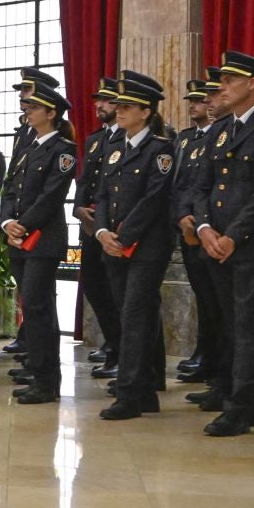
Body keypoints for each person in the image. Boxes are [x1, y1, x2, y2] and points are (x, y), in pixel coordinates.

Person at [192, 51, 254, 436]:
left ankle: (240, 405)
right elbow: (201, 186)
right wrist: (204, 229)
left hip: (249, 245)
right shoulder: (220, 130)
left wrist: (232, 236)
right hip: (215, 242)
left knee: (248, 326)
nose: (221, 87)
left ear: (252, 83)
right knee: (229, 325)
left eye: (230, 80)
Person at [92, 73, 175, 419]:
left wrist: (123, 237)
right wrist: (101, 233)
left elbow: (154, 200)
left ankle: (129, 393)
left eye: (126, 106)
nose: (118, 111)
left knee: (134, 316)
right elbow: (100, 195)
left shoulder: (161, 151)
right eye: (118, 105)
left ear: (146, 111)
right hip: (112, 246)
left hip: (147, 247)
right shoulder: (113, 149)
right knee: (130, 314)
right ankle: (143, 391)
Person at [0, 86, 75, 401]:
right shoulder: (28, 146)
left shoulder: (63, 150)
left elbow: (51, 196)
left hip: (43, 239)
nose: (27, 111)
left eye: (34, 108)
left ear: (51, 113)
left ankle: (47, 382)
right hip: (18, 238)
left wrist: (23, 224)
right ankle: (38, 373)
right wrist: (7, 222)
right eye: (27, 107)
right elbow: (9, 190)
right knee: (32, 306)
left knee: (37, 305)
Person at [71, 79, 122, 378]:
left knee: (116, 291)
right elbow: (85, 180)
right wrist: (78, 208)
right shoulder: (94, 139)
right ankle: (111, 341)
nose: (99, 105)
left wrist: (101, 218)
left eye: (107, 101)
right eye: (98, 100)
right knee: (93, 284)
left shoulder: (126, 139)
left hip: (113, 226)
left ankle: (119, 349)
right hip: (90, 226)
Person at [171, 76, 221, 383]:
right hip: (186, 225)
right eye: (190, 100)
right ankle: (204, 352)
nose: (193, 105)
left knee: (215, 298)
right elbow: (177, 185)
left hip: (210, 226)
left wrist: (198, 219)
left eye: (199, 100)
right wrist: (181, 216)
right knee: (202, 295)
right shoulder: (185, 138)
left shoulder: (217, 135)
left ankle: (213, 356)